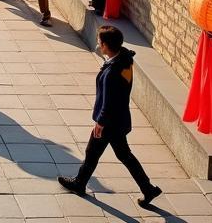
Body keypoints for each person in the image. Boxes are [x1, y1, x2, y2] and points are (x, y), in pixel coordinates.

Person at [59, 26, 163, 208]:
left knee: (93, 152)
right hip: (120, 119)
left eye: (100, 43)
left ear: (106, 45)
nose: (99, 46)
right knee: (124, 155)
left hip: (109, 123)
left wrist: (100, 122)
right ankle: (147, 188)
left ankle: (79, 183)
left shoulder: (112, 73)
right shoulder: (125, 60)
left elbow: (109, 101)